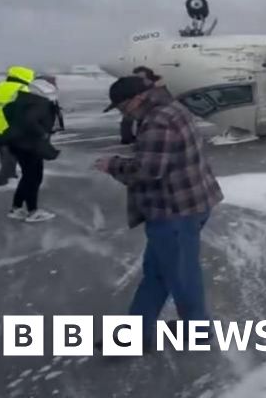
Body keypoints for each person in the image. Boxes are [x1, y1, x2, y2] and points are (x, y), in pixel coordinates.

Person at [95, 76, 223, 342]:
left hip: (175, 210)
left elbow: (148, 170)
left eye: (122, 107)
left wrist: (113, 164)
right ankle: (135, 335)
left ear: (138, 99)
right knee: (158, 272)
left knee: (181, 276)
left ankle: (198, 332)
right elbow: (161, 157)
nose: (123, 113)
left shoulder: (157, 120)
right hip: (187, 202)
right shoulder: (171, 108)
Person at [2, 78, 60, 222]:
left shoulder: (21, 101)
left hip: (17, 144)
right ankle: (33, 211)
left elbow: (6, 110)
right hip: (30, 145)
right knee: (34, 177)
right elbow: (29, 120)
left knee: (28, 176)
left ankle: (16, 208)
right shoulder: (39, 103)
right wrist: (42, 133)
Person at [0, 66, 34, 190]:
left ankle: (11, 176)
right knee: (11, 155)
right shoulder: (22, 89)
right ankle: (0, 183)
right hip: (9, 128)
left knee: (6, 153)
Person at [120, 67, 169, 144]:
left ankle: (142, 139)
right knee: (127, 118)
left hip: (150, 107)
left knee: (142, 119)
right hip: (139, 104)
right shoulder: (137, 83)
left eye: (141, 77)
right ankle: (127, 138)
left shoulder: (156, 86)